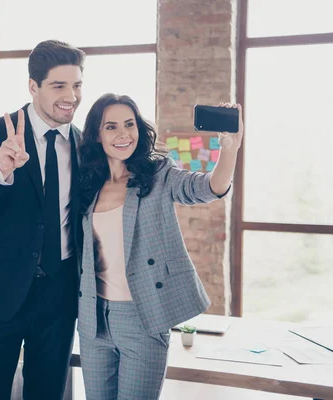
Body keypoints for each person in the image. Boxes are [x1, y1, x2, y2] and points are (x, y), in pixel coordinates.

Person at [76, 93, 243, 399]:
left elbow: (209, 188)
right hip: (94, 320)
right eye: (111, 127)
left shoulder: (157, 174)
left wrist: (229, 149)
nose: (123, 134)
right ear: (97, 135)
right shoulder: (86, 184)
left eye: (129, 124)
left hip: (143, 318)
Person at [0, 40, 85, 399]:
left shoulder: (86, 146)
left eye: (77, 85)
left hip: (59, 297)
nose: (70, 95)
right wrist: (1, 170)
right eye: (59, 86)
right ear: (33, 86)